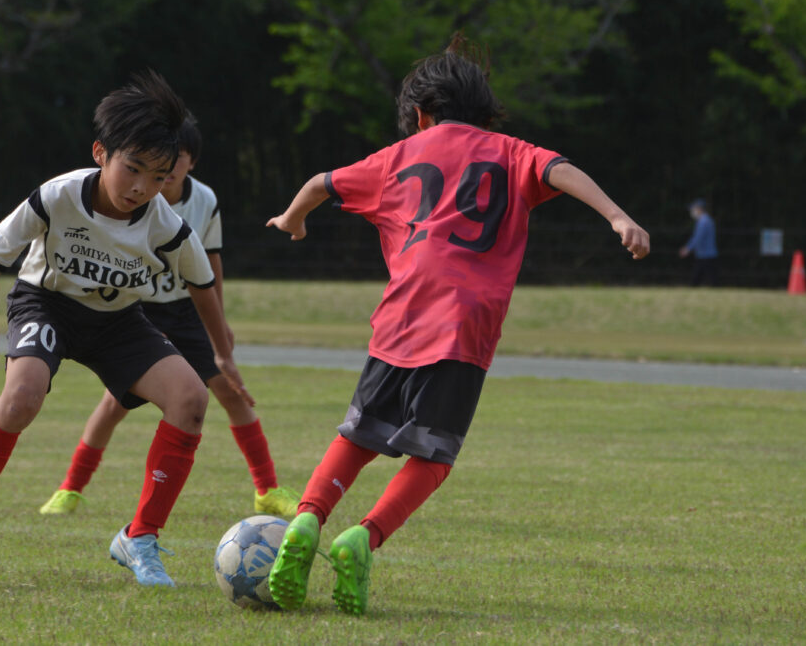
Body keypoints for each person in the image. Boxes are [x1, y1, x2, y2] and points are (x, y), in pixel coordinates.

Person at [264, 34, 650, 616]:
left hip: (400, 313)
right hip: (464, 322)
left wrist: (292, 220)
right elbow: (560, 169)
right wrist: (619, 216)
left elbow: (322, 183)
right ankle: (362, 538)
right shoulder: (510, 150)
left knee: (360, 433)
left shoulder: (395, 158)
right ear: (483, 112)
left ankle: (307, 521)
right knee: (434, 455)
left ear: (420, 115)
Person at [0, 70, 254, 588]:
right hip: (45, 304)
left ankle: (140, 538)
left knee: (191, 400)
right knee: (22, 397)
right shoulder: (58, 196)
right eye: (133, 168)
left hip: (119, 322)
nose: (143, 187)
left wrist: (222, 356)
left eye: (159, 175)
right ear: (101, 152)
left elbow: (203, 284)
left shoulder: (166, 225)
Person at [37, 117, 299, 519]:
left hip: (187, 310)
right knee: (114, 405)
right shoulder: (128, 198)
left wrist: (220, 322)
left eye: (178, 157)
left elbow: (210, 262)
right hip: (139, 309)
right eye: (163, 157)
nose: (170, 165)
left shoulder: (204, 200)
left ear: (191, 162)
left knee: (229, 392)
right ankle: (70, 488)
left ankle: (267, 489)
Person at [678, 198, 718, 285]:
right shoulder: (706, 220)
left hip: (706, 255)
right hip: (706, 254)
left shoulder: (704, 221)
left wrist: (687, 249)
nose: (692, 211)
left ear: (699, 209)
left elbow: (698, 238)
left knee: (701, 279)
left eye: (693, 209)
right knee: (707, 278)